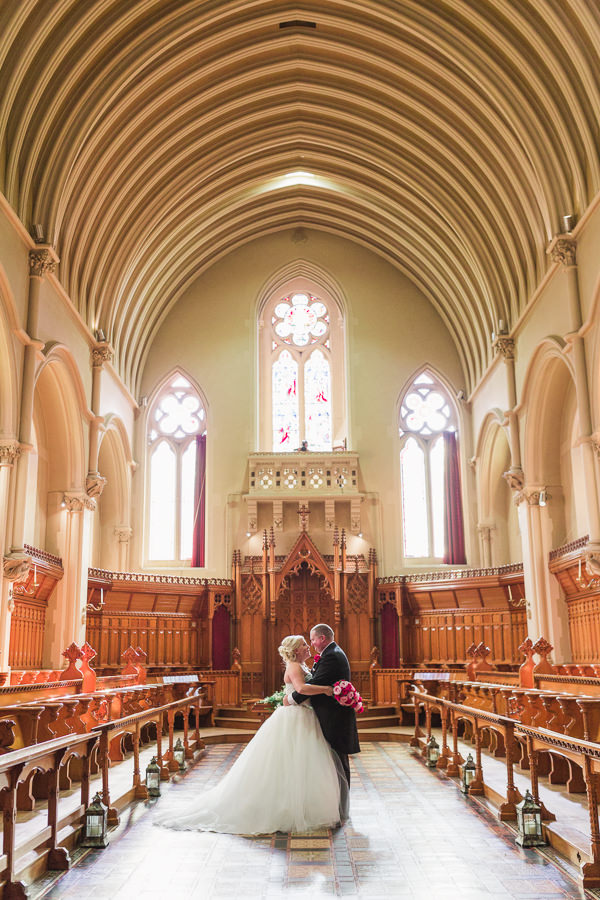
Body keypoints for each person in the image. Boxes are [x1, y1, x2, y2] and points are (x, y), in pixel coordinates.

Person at [153, 634, 346, 834]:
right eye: (304, 645)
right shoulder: (295, 666)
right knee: (289, 762)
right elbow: (301, 688)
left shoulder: (302, 666)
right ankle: (287, 807)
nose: (308, 647)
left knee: (303, 763)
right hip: (295, 718)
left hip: (304, 716)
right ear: (295, 650)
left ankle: (304, 806)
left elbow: (296, 692)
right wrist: (325, 690)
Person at [285, 623, 360, 792]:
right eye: (307, 642)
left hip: (334, 718)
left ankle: (341, 805)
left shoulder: (331, 656)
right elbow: (312, 684)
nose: (311, 644)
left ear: (322, 638)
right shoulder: (331, 653)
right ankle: (338, 805)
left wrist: (290, 699)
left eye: (312, 640)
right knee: (333, 763)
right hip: (326, 716)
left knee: (338, 764)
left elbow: (314, 684)